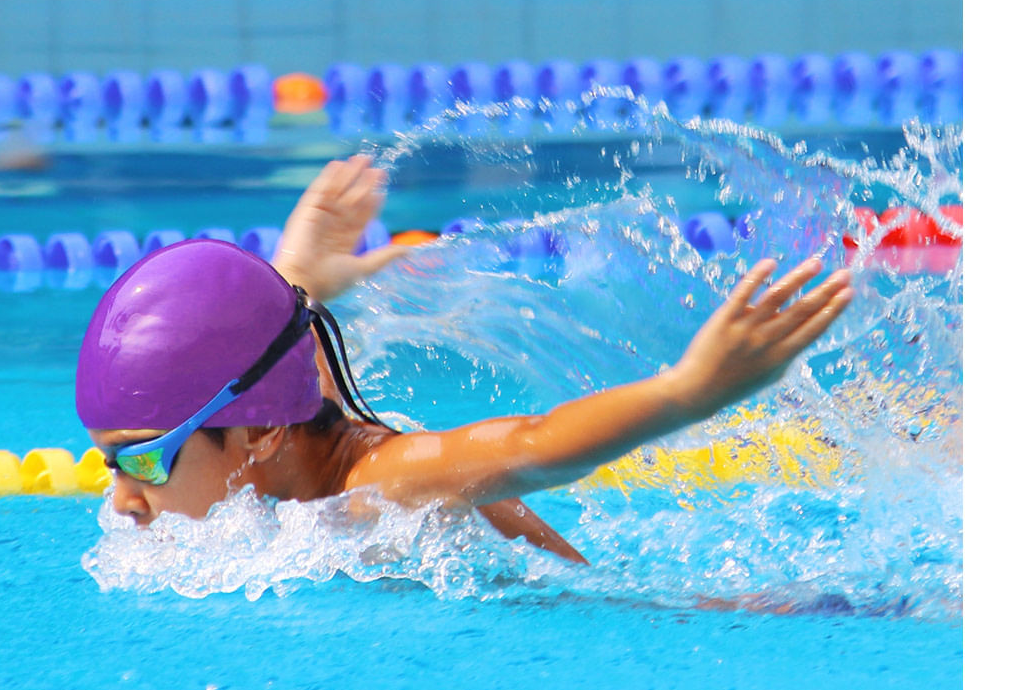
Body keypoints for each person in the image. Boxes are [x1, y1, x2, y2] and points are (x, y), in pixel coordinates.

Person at [76, 155, 853, 566]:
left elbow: (528, 447)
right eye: (110, 463)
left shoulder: (382, 483)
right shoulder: (278, 426)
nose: (120, 499)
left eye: (142, 463)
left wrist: (689, 391)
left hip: (629, 607)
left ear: (260, 436)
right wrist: (299, 275)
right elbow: (268, 351)